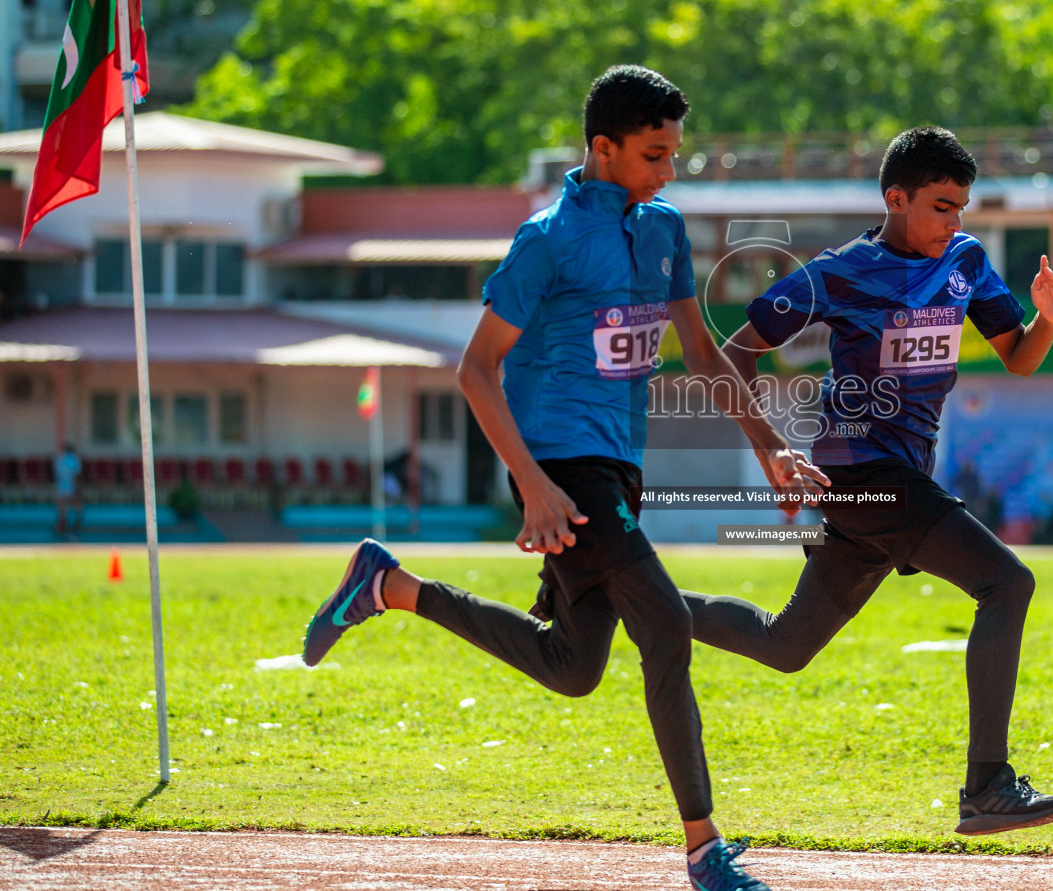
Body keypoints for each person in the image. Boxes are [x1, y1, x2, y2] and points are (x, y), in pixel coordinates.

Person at [300, 66, 825, 891]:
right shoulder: (545, 239)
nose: (668, 170)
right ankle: (703, 849)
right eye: (654, 155)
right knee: (663, 627)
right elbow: (477, 371)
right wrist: (535, 486)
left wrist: (767, 445)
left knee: (573, 668)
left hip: (618, 468)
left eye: (674, 155)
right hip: (559, 468)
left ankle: (390, 587)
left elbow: (698, 349)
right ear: (602, 147)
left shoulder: (663, 230)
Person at [678, 126, 1053, 837]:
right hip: (863, 471)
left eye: (961, 208)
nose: (953, 222)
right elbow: (731, 354)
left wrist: (1046, 320)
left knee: (784, 646)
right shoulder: (839, 272)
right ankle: (987, 787)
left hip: (888, 481)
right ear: (896, 197)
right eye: (941, 206)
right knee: (1007, 583)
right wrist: (771, 449)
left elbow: (1018, 357)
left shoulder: (964, 261)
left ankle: (622, 593)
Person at [53, 443, 83, 536]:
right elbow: (76, 474)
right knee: (75, 502)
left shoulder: (59, 458)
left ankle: (62, 523)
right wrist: (78, 487)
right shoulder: (74, 459)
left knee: (62, 504)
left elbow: (56, 473)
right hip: (71, 484)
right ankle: (76, 522)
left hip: (61, 485)